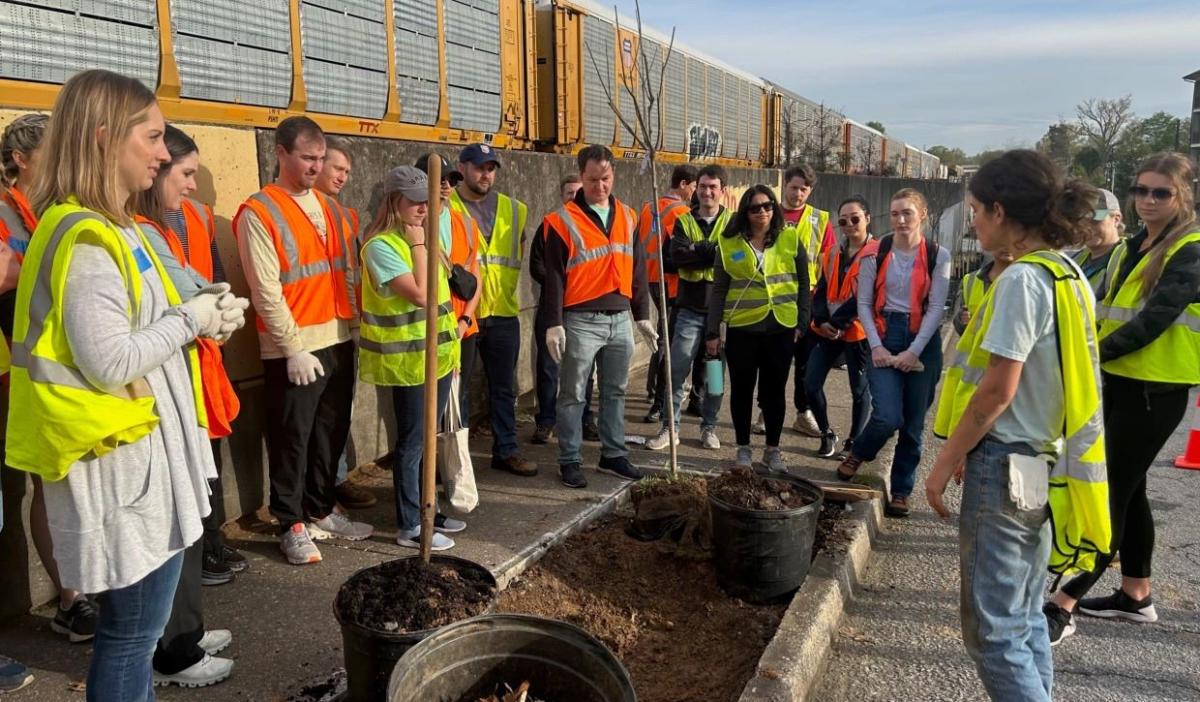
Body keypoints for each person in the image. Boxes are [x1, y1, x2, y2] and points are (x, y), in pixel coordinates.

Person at [9, 68, 248, 701]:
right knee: (131, 639)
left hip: (140, 460)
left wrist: (210, 312)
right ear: (104, 137)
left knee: (132, 632)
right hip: (124, 467)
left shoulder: (114, 227)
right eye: (152, 136)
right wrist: (189, 320)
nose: (165, 152)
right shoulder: (85, 237)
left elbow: (156, 313)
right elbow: (111, 359)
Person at [927, 149, 1107, 700]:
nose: (974, 220)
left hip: (1002, 461)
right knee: (1026, 614)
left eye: (977, 209)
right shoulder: (1067, 272)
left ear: (1001, 212)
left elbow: (995, 393)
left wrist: (945, 461)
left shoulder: (1021, 281)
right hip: (1034, 462)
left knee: (994, 631)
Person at [1044, 153, 1200, 643]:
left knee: (1107, 491)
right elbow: (1108, 310)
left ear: (1182, 196)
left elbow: (1154, 320)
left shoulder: (1190, 249)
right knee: (1131, 492)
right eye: (1140, 190)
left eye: (1160, 192)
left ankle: (1061, 602)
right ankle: (1136, 595)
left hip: (1155, 389)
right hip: (1119, 380)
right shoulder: (1132, 246)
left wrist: (1090, 357)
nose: (1147, 200)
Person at [235, 116, 372, 566]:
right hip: (295, 346)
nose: (315, 167)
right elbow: (265, 288)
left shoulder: (331, 208)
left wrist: (352, 327)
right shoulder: (260, 211)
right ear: (280, 153)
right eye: (306, 158)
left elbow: (346, 271)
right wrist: (291, 346)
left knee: (330, 430)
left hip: (336, 336)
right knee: (292, 436)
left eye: (319, 158)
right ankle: (289, 521)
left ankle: (319, 507)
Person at [132, 123, 239, 688]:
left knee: (194, 515)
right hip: (162, 395)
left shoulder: (177, 221)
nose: (194, 186)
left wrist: (215, 311)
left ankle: (187, 631)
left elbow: (203, 282)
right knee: (176, 523)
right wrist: (202, 312)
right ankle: (173, 651)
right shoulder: (135, 232)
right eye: (185, 173)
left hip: (194, 381)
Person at [0, 112, 98, 643]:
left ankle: (82, 587)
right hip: (16, 375)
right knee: (42, 481)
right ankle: (70, 599)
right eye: (51, 149)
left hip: (57, 369)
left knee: (63, 481)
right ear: (19, 159)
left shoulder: (52, 211)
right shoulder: (5, 211)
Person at [359, 166, 464, 550]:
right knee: (413, 443)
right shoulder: (383, 246)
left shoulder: (421, 237)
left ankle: (428, 509)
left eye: (428, 201)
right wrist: (420, 244)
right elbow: (421, 294)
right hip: (407, 362)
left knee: (426, 441)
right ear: (393, 201)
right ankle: (410, 524)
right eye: (415, 202)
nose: (424, 208)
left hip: (436, 355)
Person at [540, 145, 655, 489]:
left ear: (613, 175)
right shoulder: (560, 222)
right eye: (592, 180)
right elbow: (554, 277)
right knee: (574, 393)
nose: (599, 186)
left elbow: (637, 268)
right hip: (580, 319)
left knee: (615, 390)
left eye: (605, 179)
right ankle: (570, 459)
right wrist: (553, 322)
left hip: (619, 318)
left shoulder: (629, 216)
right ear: (581, 176)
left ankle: (613, 454)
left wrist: (642, 314)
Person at [841, 188, 949, 518]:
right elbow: (863, 302)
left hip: (922, 340)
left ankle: (901, 491)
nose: (901, 220)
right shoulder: (876, 252)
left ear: (923, 216)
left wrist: (914, 351)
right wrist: (875, 345)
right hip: (884, 334)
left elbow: (935, 309)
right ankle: (860, 451)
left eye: (908, 213)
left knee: (913, 426)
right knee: (888, 415)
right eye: (895, 214)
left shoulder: (937, 255)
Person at [706, 185, 811, 472]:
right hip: (743, 329)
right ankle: (742, 449)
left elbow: (804, 282)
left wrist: (802, 322)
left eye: (767, 206)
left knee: (774, 391)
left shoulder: (790, 238)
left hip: (781, 327)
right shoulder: (728, 244)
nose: (762, 212)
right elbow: (718, 291)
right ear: (745, 212)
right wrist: (712, 331)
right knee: (741, 390)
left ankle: (772, 450)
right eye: (755, 208)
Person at [450, 144, 535, 476]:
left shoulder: (514, 210)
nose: (485, 174)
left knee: (504, 387)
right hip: (461, 315)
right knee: (458, 391)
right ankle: (457, 461)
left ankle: (507, 450)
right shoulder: (447, 206)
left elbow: (519, 252)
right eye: (478, 167)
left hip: (502, 312)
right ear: (462, 168)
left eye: (491, 168)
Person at [647, 165, 729, 451]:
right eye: (703, 186)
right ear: (696, 188)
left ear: (722, 191)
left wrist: (697, 250)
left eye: (713, 187)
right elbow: (676, 257)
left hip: (720, 316)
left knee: (715, 377)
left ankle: (709, 427)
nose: (707, 192)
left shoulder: (732, 224)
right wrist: (710, 251)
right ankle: (671, 428)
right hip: (689, 309)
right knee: (677, 369)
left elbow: (733, 259)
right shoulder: (684, 221)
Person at [315, 136, 377, 511]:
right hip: (312, 327)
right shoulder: (300, 212)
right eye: (337, 168)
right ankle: (324, 488)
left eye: (348, 172)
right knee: (318, 419)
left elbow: (352, 272)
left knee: (339, 413)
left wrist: (355, 322)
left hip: (342, 323)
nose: (343, 176)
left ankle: (334, 481)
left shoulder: (344, 215)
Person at [757, 164, 834, 437]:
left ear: (810, 190)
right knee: (772, 361)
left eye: (804, 189)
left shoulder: (820, 219)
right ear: (784, 185)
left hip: (808, 300)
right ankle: (766, 410)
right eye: (794, 187)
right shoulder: (767, 213)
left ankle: (803, 413)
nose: (798, 193)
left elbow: (829, 262)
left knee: (805, 362)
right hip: (774, 300)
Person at [804, 196, 877, 460]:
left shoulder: (878, 254)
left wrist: (837, 323)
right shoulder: (833, 253)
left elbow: (867, 296)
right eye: (843, 220)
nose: (849, 224)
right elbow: (822, 290)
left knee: (859, 390)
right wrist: (821, 320)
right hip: (828, 330)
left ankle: (854, 443)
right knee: (810, 382)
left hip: (858, 331)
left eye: (855, 219)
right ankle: (826, 433)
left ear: (867, 218)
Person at [529, 174, 598, 445]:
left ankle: (585, 418)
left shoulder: (593, 227)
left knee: (585, 368)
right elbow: (537, 266)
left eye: (578, 192)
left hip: (582, 309)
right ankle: (546, 421)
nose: (574, 197)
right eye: (569, 193)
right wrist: (563, 283)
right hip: (552, 307)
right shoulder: (551, 225)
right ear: (561, 195)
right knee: (548, 367)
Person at [639, 165, 695, 423]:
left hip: (650, 277)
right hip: (671, 282)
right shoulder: (681, 211)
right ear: (684, 184)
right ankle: (662, 399)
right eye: (694, 186)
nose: (695, 192)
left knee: (664, 337)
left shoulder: (648, 206)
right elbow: (676, 254)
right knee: (670, 342)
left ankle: (655, 392)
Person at [1071, 187, 1125, 297]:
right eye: (1081, 221)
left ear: (1116, 219)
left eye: (1095, 221)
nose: (1087, 227)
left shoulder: (1129, 259)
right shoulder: (1075, 260)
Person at [951, 250, 1013, 337]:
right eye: (1002, 239)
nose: (1007, 246)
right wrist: (962, 321)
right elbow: (957, 321)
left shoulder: (1028, 282)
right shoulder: (970, 280)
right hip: (974, 349)